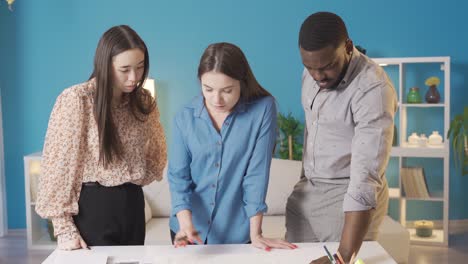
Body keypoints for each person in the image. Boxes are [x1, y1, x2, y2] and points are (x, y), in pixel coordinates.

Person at [36, 25, 167, 250]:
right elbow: (58, 168)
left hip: (134, 207)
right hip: (94, 210)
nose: (134, 77)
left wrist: (136, 177)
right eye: (124, 69)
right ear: (105, 65)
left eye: (140, 67)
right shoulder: (78, 100)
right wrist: (64, 228)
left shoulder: (143, 101)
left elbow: (157, 151)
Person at [285, 12, 397, 263]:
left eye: (326, 67)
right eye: (309, 67)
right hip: (306, 193)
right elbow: (312, 128)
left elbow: (365, 177)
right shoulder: (313, 71)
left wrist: (343, 257)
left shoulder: (373, 89)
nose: (317, 76)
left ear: (348, 47)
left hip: (344, 196)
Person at [168, 42, 296, 251]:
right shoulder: (185, 117)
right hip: (187, 229)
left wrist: (256, 234)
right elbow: (178, 176)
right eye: (207, 89)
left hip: (236, 234)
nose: (216, 99)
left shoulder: (263, 110)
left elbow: (256, 174)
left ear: (242, 83)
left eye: (227, 90)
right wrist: (185, 225)